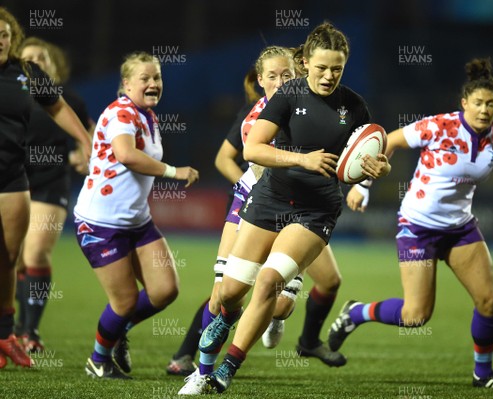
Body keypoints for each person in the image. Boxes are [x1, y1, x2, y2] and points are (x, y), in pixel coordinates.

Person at [327, 58, 493, 390]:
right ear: (464, 103)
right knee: (416, 316)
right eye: (478, 103)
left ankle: (483, 374)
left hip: (461, 228)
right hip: (418, 225)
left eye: (490, 104)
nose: (484, 109)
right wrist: (363, 185)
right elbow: (388, 141)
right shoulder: (439, 126)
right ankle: (356, 313)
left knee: (489, 302)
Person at [192, 22, 390, 394]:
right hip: (271, 199)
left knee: (270, 283)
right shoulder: (287, 95)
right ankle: (226, 319)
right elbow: (252, 149)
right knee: (229, 293)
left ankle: (226, 370)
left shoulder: (355, 106)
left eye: (337, 69)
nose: (329, 76)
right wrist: (303, 160)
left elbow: (368, 156)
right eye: (321, 68)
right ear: (305, 62)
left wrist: (377, 168)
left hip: (315, 212)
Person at [73, 51, 199, 379]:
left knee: (164, 290)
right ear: (126, 83)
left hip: (137, 221)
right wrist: (174, 171)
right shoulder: (121, 113)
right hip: (100, 223)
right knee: (125, 300)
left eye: (157, 77)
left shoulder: (148, 116)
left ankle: (115, 333)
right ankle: (98, 361)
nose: (153, 83)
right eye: (145, 78)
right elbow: (127, 155)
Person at [0, 7, 91, 369]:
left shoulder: (25, 74)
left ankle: (9, 334)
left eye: (5, 35)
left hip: (13, 178)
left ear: (12, 38)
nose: (0, 41)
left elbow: (57, 108)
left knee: (11, 257)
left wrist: (85, 140)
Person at [166, 69, 258, 376]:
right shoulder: (255, 111)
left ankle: (308, 336)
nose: (283, 80)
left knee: (317, 285)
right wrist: (253, 190)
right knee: (225, 292)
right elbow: (223, 159)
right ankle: (194, 361)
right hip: (257, 209)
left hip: (295, 211)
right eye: (275, 74)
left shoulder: (308, 110)